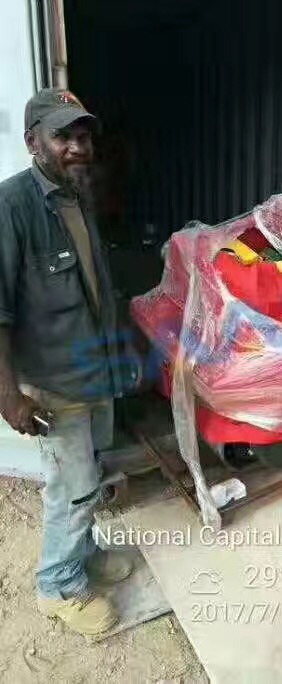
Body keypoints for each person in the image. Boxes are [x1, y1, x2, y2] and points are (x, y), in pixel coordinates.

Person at [0, 88, 132, 636]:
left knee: (90, 476)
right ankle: (58, 588)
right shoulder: (11, 206)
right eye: (63, 136)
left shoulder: (77, 196)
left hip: (94, 371)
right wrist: (9, 396)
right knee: (71, 489)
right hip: (55, 385)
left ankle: (84, 554)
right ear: (33, 143)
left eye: (83, 136)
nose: (78, 146)